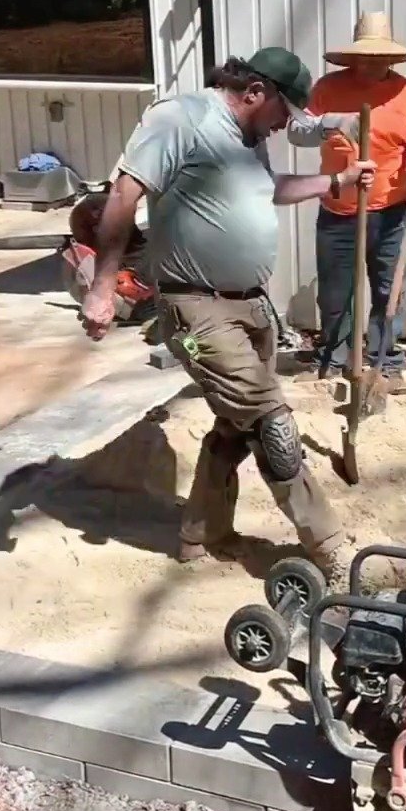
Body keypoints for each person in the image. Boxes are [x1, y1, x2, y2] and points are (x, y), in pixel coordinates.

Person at [78, 47, 374, 588]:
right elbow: (124, 195)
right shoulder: (181, 118)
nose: (285, 125)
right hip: (196, 310)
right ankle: (330, 547)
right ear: (256, 93)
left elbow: (269, 189)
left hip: (251, 306)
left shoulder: (249, 138)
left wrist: (337, 182)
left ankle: (201, 534)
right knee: (270, 423)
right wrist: (102, 286)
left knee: (234, 428)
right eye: (284, 112)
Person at [286, 13, 406, 394]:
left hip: (392, 213)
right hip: (338, 211)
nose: (372, 62)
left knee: (389, 292)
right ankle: (333, 359)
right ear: (353, 56)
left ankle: (386, 364)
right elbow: (297, 133)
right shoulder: (327, 88)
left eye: (379, 56)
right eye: (365, 56)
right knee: (335, 294)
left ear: (392, 58)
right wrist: (332, 122)